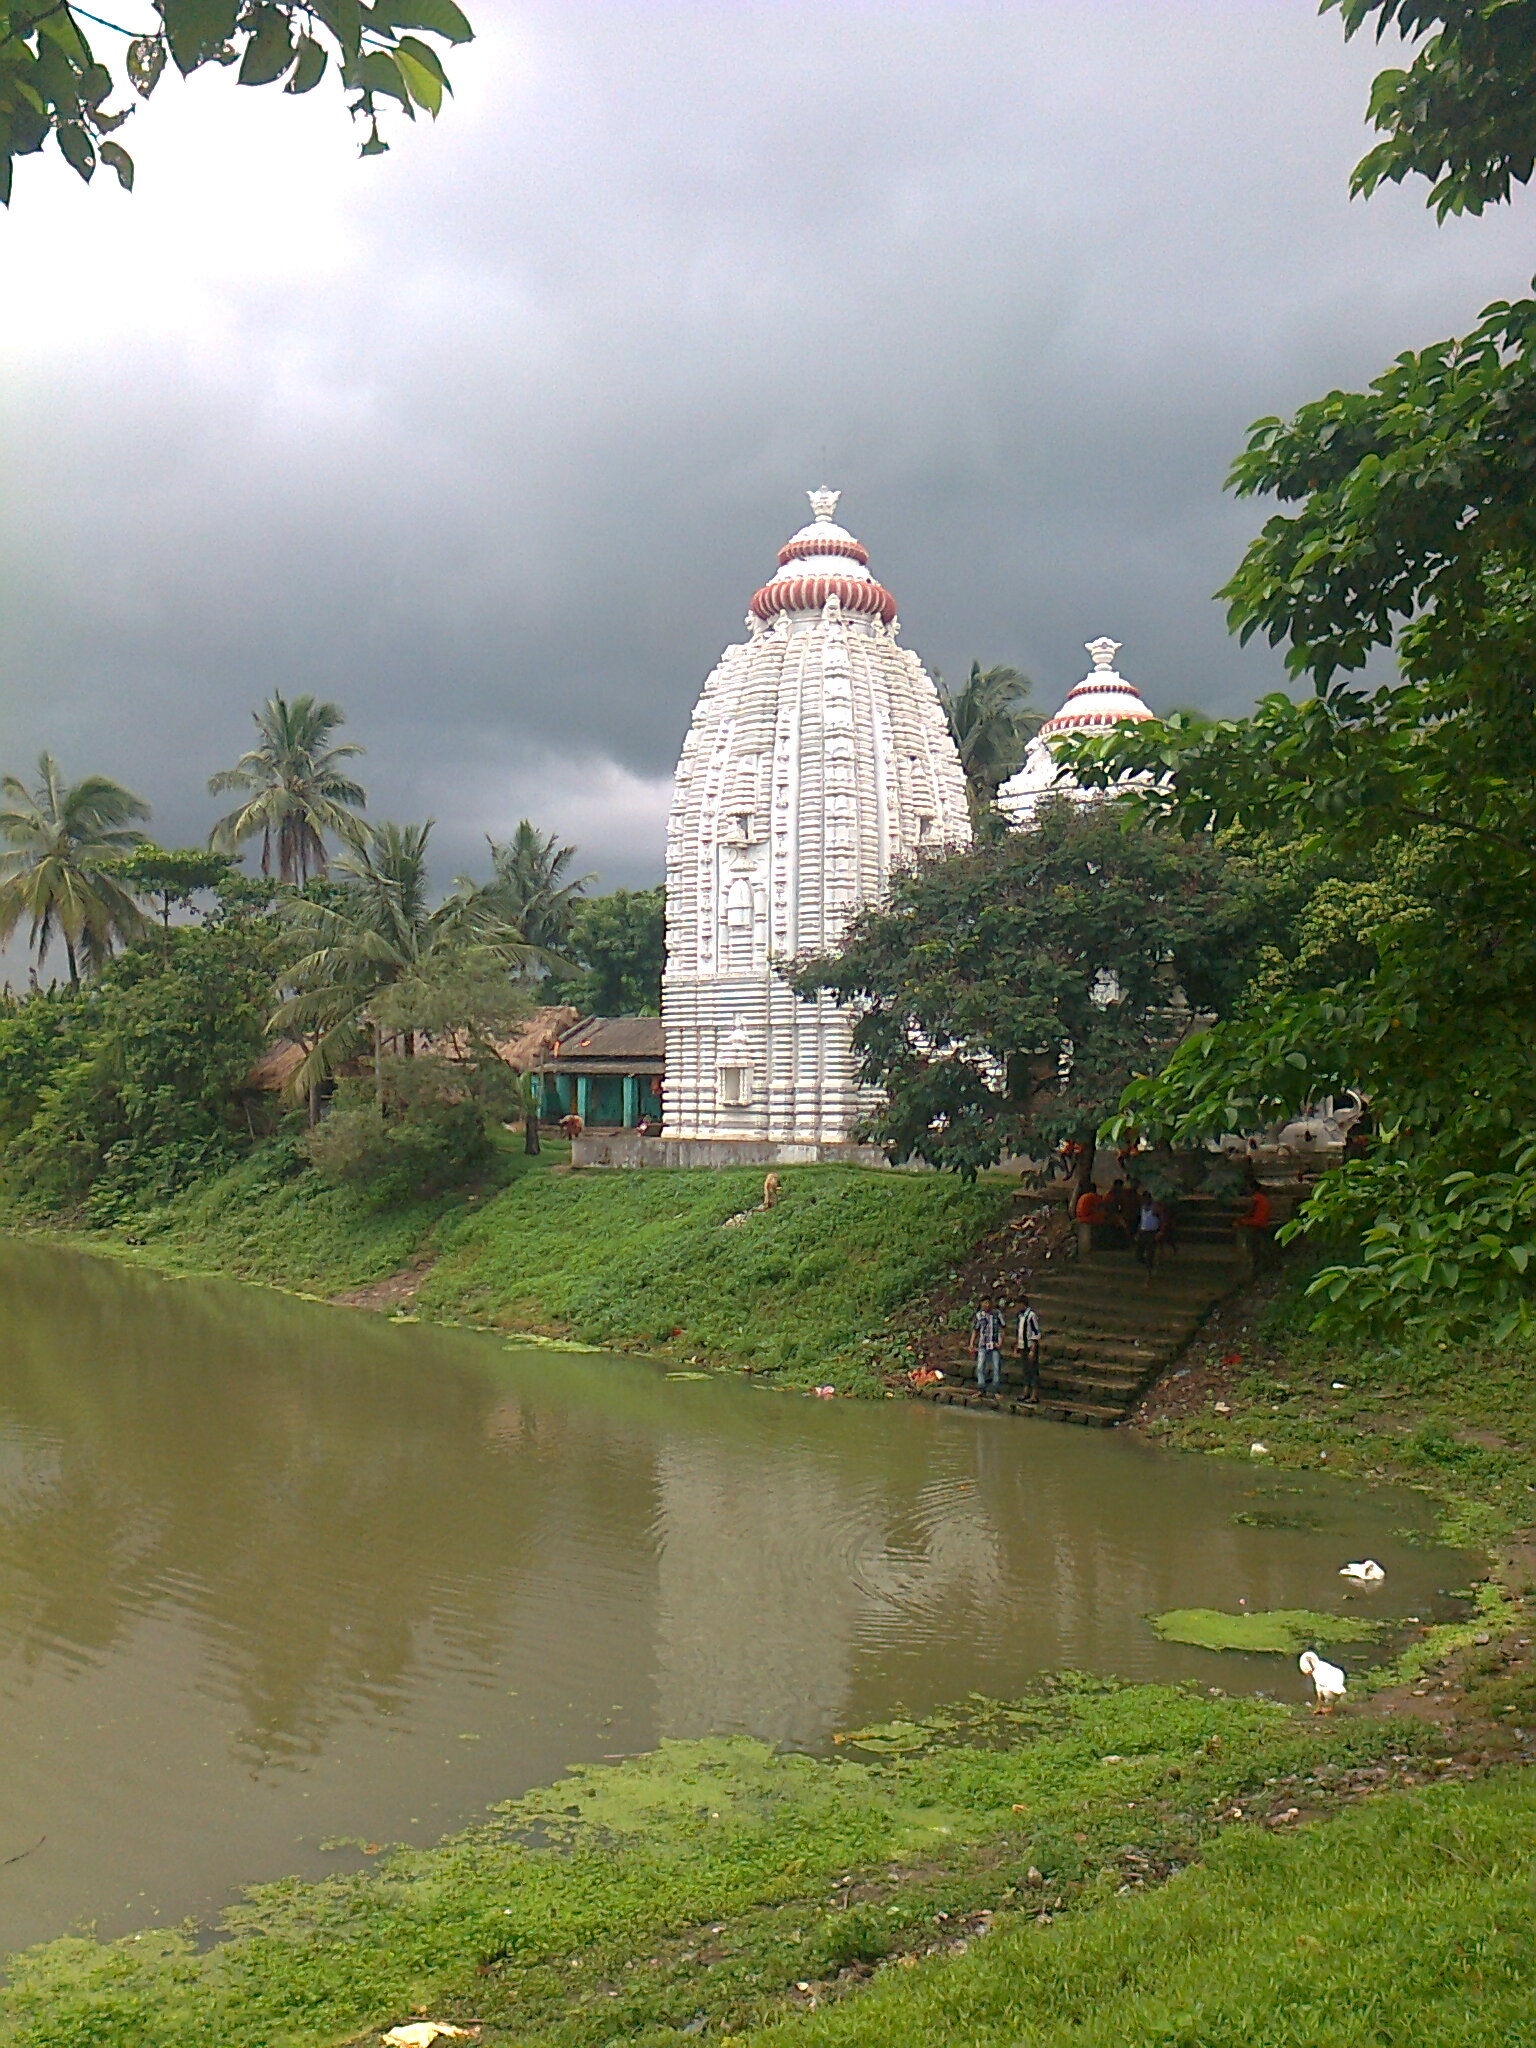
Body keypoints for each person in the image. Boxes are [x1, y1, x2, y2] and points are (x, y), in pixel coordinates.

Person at [969, 1296, 1005, 1394]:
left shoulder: (997, 1314)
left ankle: (995, 1390)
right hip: (983, 1344)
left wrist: (1000, 1341)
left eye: (988, 1303)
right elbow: (975, 1330)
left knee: (996, 1368)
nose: (987, 1305)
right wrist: (971, 1343)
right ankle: (981, 1389)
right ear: (981, 1304)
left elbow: (1002, 1329)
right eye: (985, 1303)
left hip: (995, 1345)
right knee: (980, 1367)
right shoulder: (979, 1315)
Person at [1016, 1295, 1041, 1405]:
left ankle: (1034, 1395)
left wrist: (1033, 1349)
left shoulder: (1031, 1315)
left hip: (1030, 1346)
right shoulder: (1020, 1316)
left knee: (1033, 1370)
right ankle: (1025, 1392)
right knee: (1025, 1370)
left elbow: (1036, 1333)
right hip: (1022, 1346)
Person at [1134, 1190, 1162, 1277]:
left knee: (1150, 1253)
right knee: (1138, 1254)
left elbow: (1162, 1219)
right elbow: (1142, 1221)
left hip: (1152, 1233)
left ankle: (1150, 1271)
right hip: (1143, 1232)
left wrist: (1160, 1231)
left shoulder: (1155, 1207)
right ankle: (1149, 1265)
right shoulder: (1142, 1207)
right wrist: (1138, 1232)